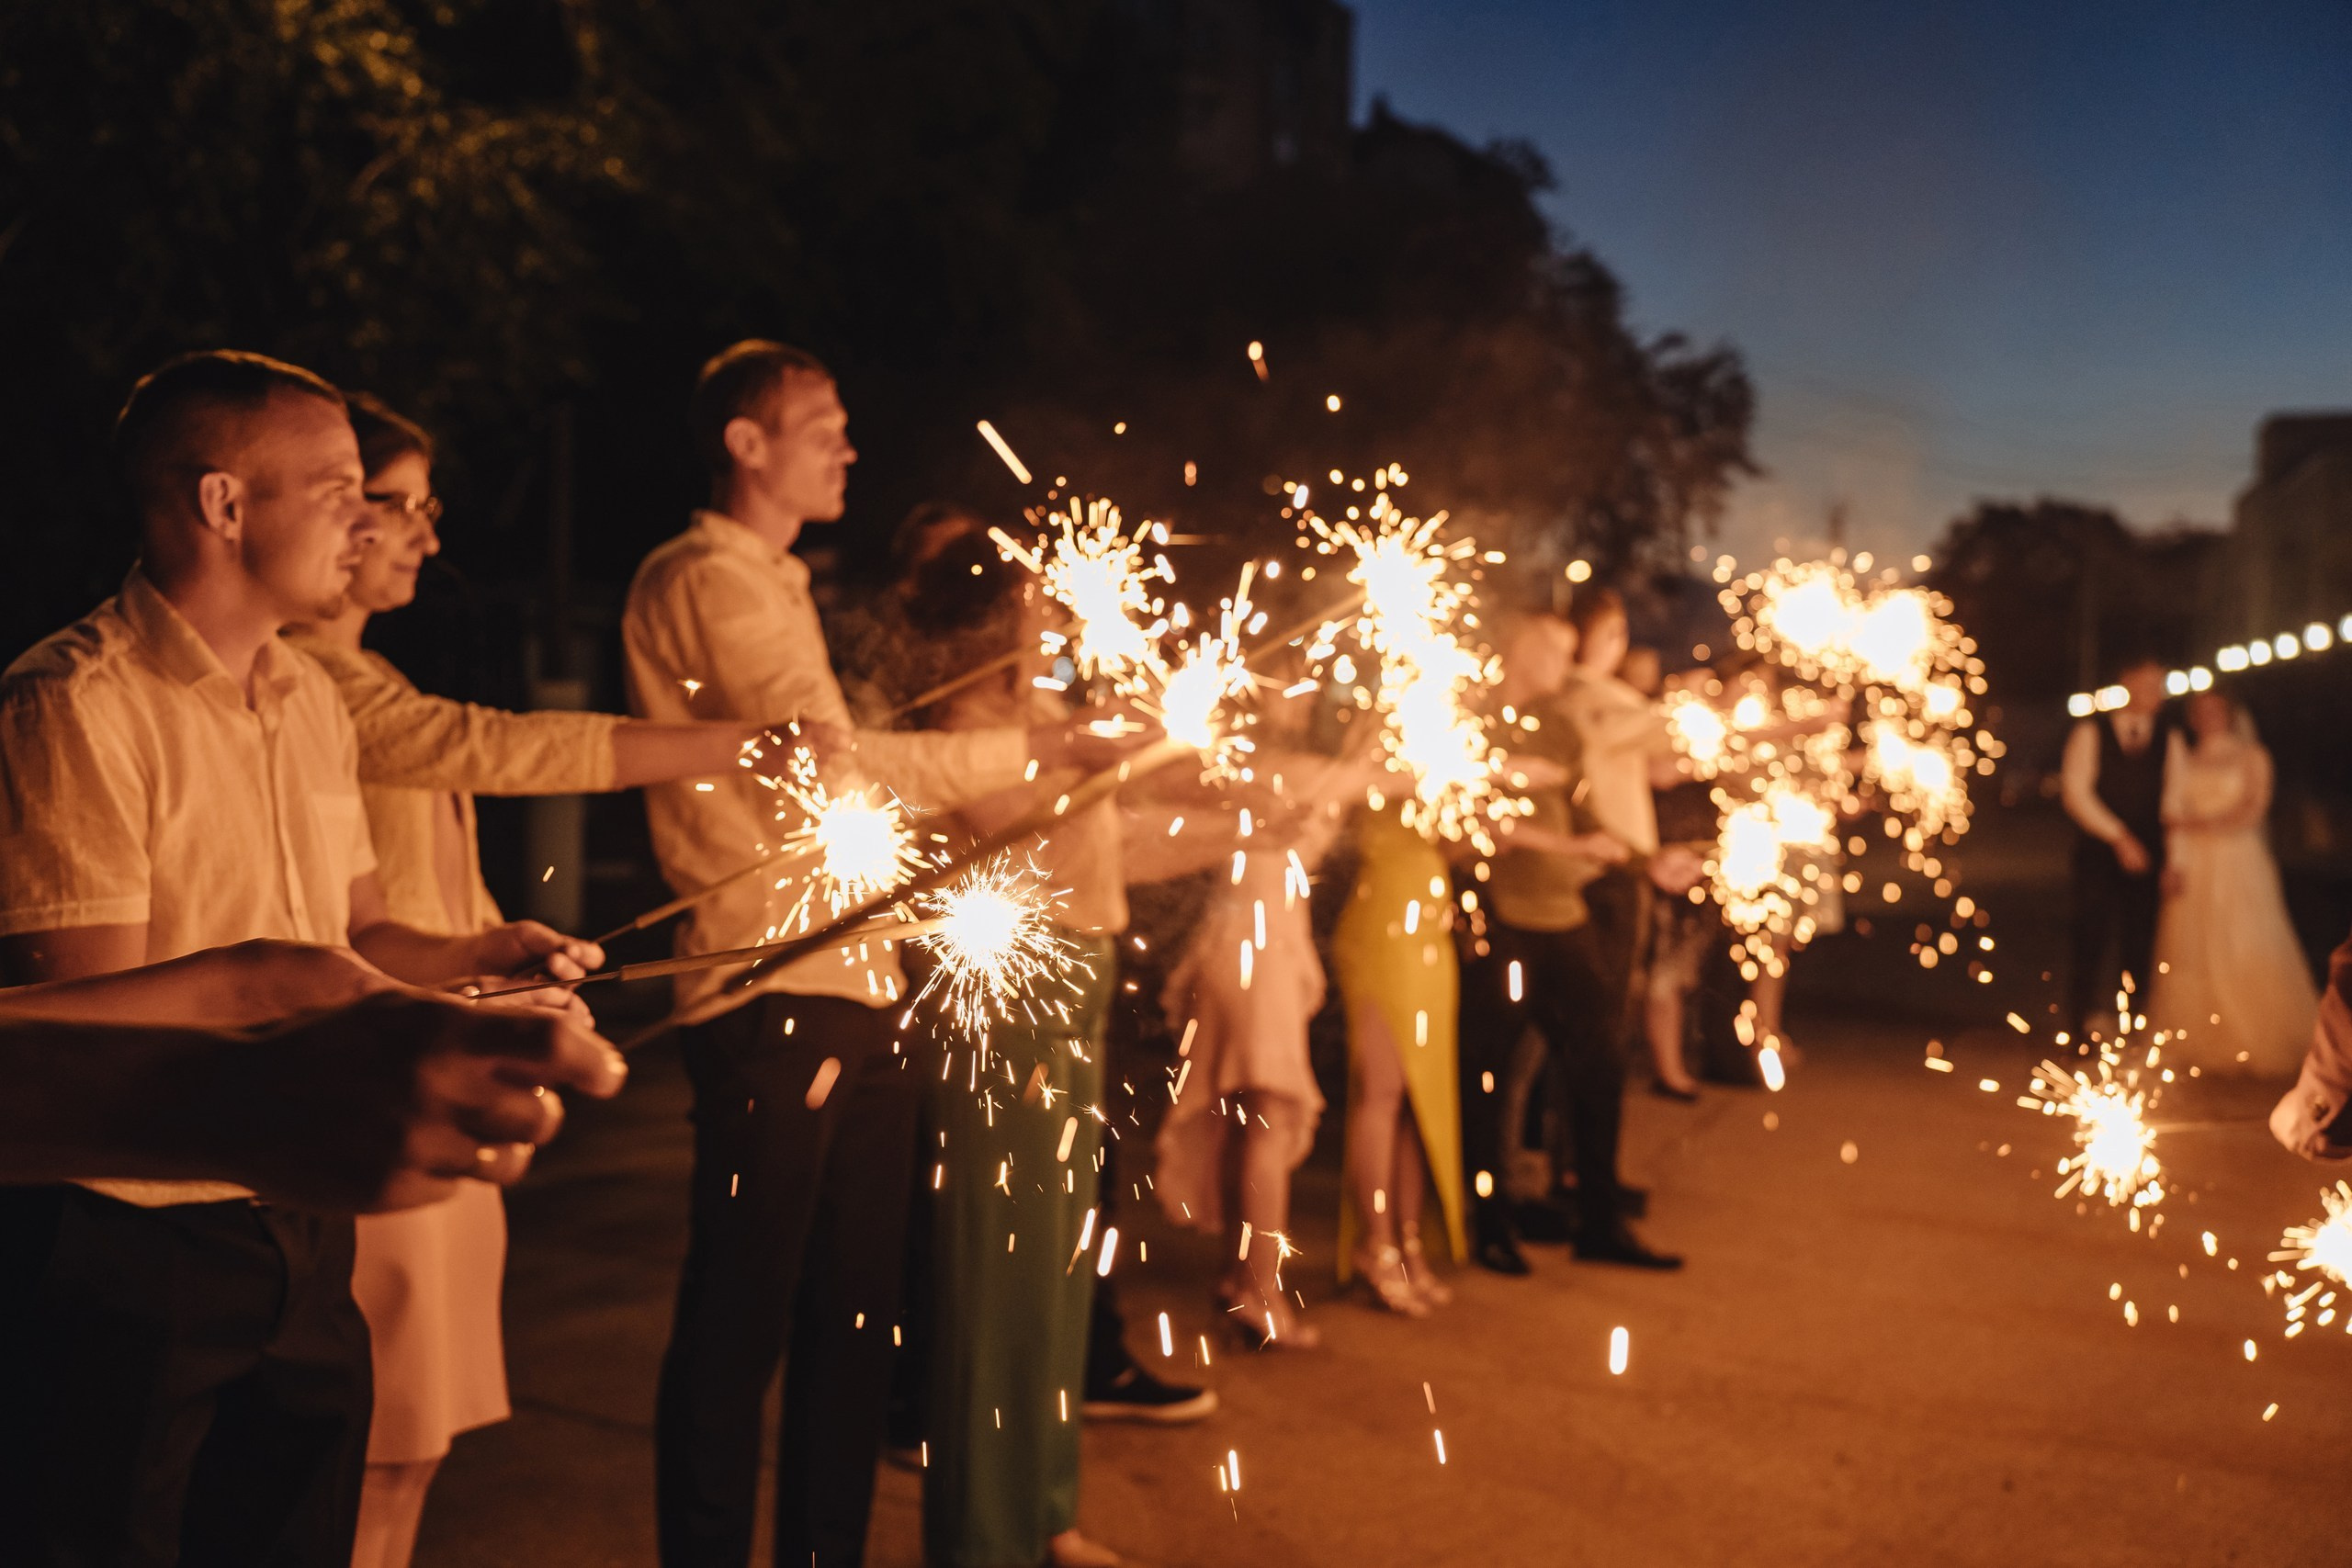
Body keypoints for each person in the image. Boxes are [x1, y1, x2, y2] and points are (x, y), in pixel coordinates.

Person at [0, 350, 602, 1567]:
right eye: (336, 484)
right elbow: (79, 1020)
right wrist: (289, 986)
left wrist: (478, 954)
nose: (367, 515)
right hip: (138, 1238)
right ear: (223, 504)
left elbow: (361, 933)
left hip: (303, 1222)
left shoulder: (308, 700)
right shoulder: (74, 702)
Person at [622, 340, 1135, 1568]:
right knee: (743, 1318)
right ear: (746, 444)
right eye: (821, 423)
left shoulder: (781, 583)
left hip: (859, 976)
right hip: (770, 979)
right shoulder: (708, 578)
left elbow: (852, 762)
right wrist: (1036, 757)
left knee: (853, 1324)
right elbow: (835, 769)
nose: (847, 446)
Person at [286, 392, 760, 1568]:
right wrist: (736, 741)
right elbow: (495, 746)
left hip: (442, 1049)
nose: (419, 537)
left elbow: (428, 891)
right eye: (394, 505)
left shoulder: (355, 681)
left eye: (422, 509)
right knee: (368, 1443)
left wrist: (509, 953)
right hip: (375, 1078)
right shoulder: (312, 686)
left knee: (416, 1444)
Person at [905, 532, 1139, 1568]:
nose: (1052, 619)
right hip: (1008, 1008)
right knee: (998, 1282)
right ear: (992, 620)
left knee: (1057, 1274)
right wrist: (1103, 758)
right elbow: (1025, 841)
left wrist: (1244, 823)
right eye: (1035, 604)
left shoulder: (1048, 718)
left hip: (1079, 991)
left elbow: (1112, 848)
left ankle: (1047, 1511)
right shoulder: (965, 727)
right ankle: (981, 1538)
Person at [0, 941, 623, 1204]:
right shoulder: (76, 694)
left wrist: (449, 994)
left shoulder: (312, 702)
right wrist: (230, 1095)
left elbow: (258, 985)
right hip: (149, 1227)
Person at [1458, 612, 1681, 1272]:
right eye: (1555, 648)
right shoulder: (1469, 724)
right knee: (1491, 1079)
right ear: (1518, 650)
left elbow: (1586, 812)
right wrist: (1571, 844)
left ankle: (1600, 1220)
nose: (1568, 660)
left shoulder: (1558, 727)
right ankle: (1492, 1222)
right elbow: (1475, 822)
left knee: (1601, 1062)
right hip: (1501, 920)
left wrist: (1646, 861)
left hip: (1562, 916)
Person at [1157, 678, 1368, 1343]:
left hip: (1230, 947)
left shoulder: (1228, 766)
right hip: (1260, 953)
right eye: (1290, 690)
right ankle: (1260, 1293)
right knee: (1270, 1120)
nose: (1304, 703)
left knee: (1243, 1116)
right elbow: (1385, 779)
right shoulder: (1290, 770)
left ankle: (1235, 1277)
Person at [1331, 800, 1468, 1307]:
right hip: (1384, 933)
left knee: (1417, 1101)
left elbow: (1443, 847)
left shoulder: (1445, 755)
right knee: (1383, 1092)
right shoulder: (1391, 742)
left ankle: (1409, 1241)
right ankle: (1377, 1243)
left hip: (1431, 935)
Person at [2146, 692, 2316, 1075]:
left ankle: (2256, 1032)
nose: (2208, 717)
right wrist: (2176, 857)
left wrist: (2205, 826)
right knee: (2193, 947)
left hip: (2238, 862)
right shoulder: (2185, 758)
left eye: (2215, 710)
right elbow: (2175, 812)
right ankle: (2203, 1035)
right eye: (2200, 711)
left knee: (2243, 939)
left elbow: (2254, 807)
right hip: (2196, 865)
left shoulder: (2252, 755)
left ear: (2230, 713)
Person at [2061, 656, 2172, 1036]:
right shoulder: (2091, 732)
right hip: (2097, 855)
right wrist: (2119, 837)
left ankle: (2133, 1029)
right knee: (2089, 938)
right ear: (2127, 681)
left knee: (2140, 942)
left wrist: (2176, 857)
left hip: (2150, 854)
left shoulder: (2170, 737)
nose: (2157, 694)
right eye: (2149, 684)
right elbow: (2076, 792)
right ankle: (2078, 1028)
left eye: (2160, 685)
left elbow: (2175, 798)